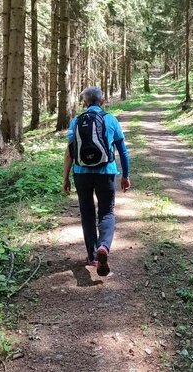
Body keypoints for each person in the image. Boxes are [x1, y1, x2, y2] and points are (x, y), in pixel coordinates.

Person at [63, 86, 131, 276]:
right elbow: (123, 151)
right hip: (105, 172)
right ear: (103, 101)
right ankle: (103, 246)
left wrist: (65, 177)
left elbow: (69, 153)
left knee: (87, 212)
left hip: (81, 173)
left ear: (85, 102)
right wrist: (125, 175)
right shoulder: (110, 119)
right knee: (107, 212)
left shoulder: (76, 121)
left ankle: (92, 256)